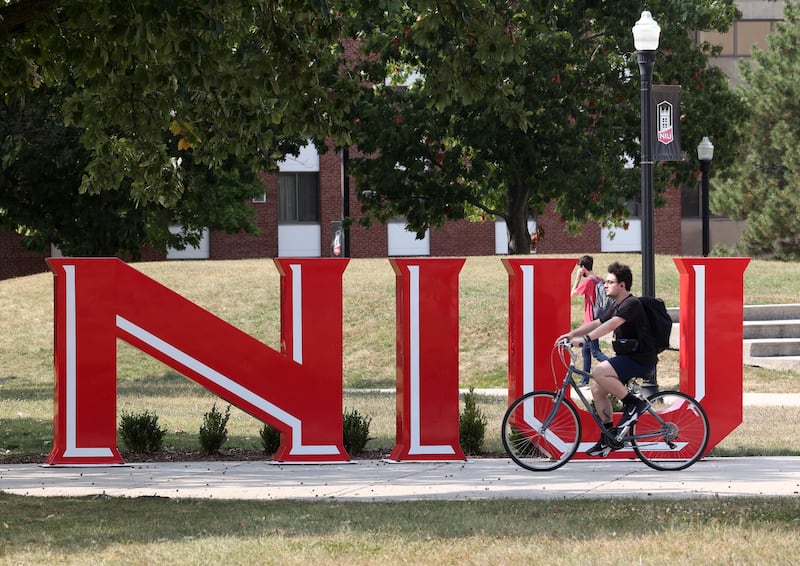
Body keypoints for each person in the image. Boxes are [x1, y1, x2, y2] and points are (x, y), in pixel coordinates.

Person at [557, 261, 657, 458]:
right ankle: (610, 437)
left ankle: (634, 404)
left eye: (609, 282)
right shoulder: (617, 304)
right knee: (597, 389)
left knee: (598, 371)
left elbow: (611, 325)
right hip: (629, 357)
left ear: (622, 285)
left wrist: (585, 340)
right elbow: (597, 322)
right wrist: (571, 334)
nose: (605, 285)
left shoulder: (631, 304)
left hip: (641, 358)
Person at [570, 255, 609, 385]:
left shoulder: (587, 281)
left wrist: (578, 277)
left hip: (591, 322)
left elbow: (572, 295)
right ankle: (584, 380)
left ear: (582, 267)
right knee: (585, 350)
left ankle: (617, 369)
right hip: (598, 319)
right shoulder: (600, 280)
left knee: (595, 352)